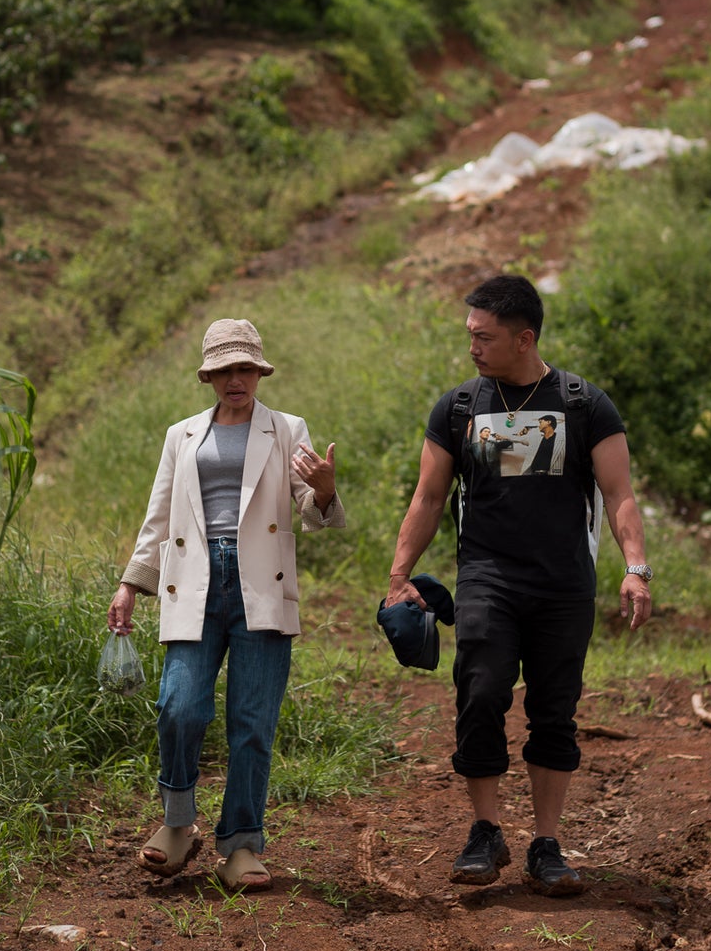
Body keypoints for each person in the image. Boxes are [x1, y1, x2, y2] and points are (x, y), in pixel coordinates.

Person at [385, 274, 651, 895]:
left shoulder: (585, 404)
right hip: (487, 578)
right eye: (469, 335)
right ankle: (486, 831)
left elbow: (620, 495)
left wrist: (635, 567)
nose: (472, 346)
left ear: (524, 338)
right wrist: (399, 575)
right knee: (479, 693)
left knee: (554, 711)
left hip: (563, 586)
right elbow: (428, 498)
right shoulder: (457, 408)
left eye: (484, 336)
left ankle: (546, 843)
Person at [107, 318, 342, 891]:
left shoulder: (287, 429)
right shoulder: (181, 435)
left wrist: (327, 488)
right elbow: (158, 516)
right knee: (179, 706)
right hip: (192, 580)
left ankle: (240, 842)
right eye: (224, 370)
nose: (236, 380)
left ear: (259, 371)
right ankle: (178, 824)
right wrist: (130, 584)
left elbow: (312, 508)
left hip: (261, 582)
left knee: (251, 723)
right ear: (208, 375)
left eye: (245, 369)